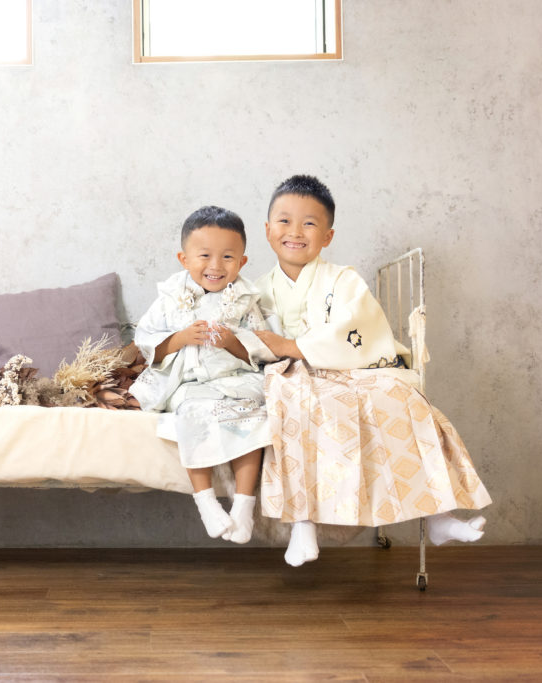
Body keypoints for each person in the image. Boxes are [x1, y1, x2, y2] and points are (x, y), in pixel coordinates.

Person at [253, 175, 492, 567]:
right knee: (295, 402)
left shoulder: (343, 279)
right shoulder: (255, 289)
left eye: (309, 223)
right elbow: (255, 338)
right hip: (294, 373)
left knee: (403, 397)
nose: (295, 232)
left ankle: (439, 517)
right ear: (267, 230)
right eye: (284, 221)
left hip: (348, 367)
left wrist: (294, 346)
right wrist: (283, 353)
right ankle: (302, 523)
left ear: (327, 236)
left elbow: (359, 327)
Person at [133, 206, 276, 544]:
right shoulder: (171, 297)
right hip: (192, 382)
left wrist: (232, 342)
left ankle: (243, 505)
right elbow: (147, 342)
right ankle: (206, 501)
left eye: (227, 257)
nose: (216, 266)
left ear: (241, 262)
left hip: (235, 378)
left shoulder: (245, 299)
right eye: (205, 256)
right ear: (184, 259)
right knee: (190, 414)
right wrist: (181, 338)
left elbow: (264, 345)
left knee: (255, 416)